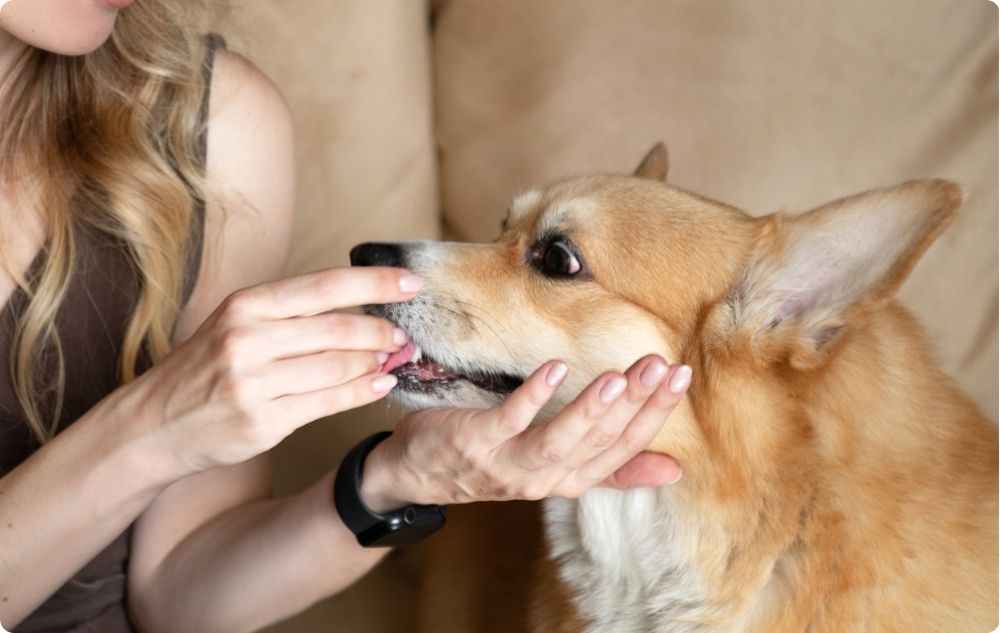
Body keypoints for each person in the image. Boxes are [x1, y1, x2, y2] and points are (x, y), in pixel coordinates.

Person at [0, 1, 688, 631]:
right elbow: (153, 435)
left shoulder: (212, 126)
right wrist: (151, 427)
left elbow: (177, 601)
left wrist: (400, 477)